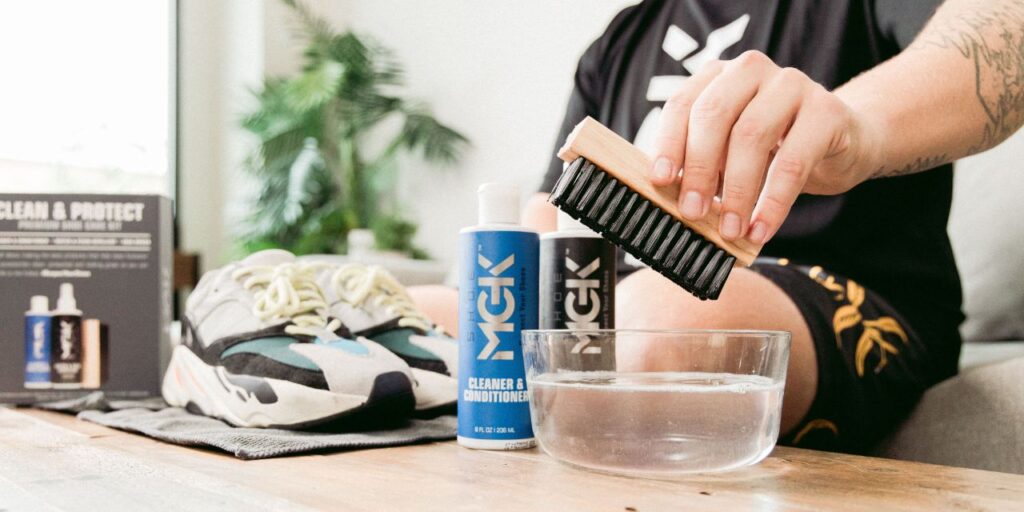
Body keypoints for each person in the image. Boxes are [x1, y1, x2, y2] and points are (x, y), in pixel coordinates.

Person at [409, 0, 1024, 453]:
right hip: (611, 295)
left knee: (662, 331)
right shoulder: (624, 36)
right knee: (405, 314)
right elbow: (552, 205)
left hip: (827, 296)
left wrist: (859, 126)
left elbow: (1004, 30)